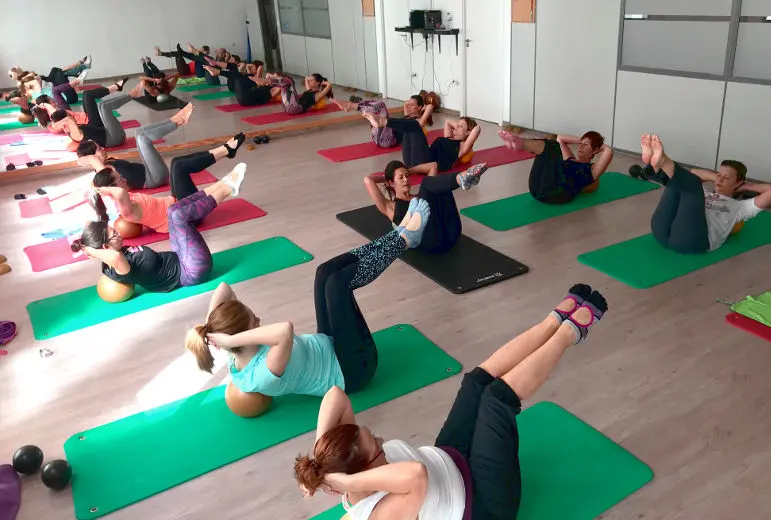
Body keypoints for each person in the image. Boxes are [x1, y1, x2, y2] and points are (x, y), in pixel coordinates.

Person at [294, 284, 608, 519]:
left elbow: (336, 395)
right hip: (484, 503)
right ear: (360, 472)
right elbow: (415, 474)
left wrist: (321, 452)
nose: (380, 439)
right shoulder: (377, 514)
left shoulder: (348, 457)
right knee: (497, 400)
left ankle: (553, 321)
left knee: (477, 381)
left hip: (450, 457)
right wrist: (345, 480)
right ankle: (570, 332)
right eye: (376, 445)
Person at [184, 198, 433, 398]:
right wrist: (231, 338)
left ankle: (398, 235)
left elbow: (225, 288)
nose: (258, 319)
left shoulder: (234, 350)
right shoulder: (260, 374)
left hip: (328, 344)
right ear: (239, 338)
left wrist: (211, 327)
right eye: (254, 321)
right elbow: (284, 331)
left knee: (324, 273)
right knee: (337, 284)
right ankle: (404, 240)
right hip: (353, 370)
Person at [71, 163, 246, 293]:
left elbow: (89, 224)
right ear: (105, 248)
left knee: (173, 210)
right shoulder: (119, 267)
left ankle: (222, 184)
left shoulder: (118, 251)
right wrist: (89, 250)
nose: (118, 232)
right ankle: (228, 190)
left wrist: (83, 240)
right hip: (190, 272)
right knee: (179, 216)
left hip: (180, 257)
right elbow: (114, 256)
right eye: (113, 234)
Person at [632, 134, 771, 254]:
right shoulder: (701, 193)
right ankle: (655, 167)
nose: (720, 179)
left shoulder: (741, 207)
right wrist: (715, 177)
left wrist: (747, 186)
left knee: (690, 184)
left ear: (738, 182)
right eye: (719, 174)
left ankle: (660, 163)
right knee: (680, 185)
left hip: (693, 241)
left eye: (726, 177)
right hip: (662, 231)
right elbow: (694, 173)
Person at [91, 132, 247, 232]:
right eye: (120, 179)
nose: (125, 179)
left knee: (175, 162)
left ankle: (224, 153)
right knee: (179, 166)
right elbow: (120, 192)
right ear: (111, 190)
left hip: (177, 203)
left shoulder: (124, 197)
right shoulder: (124, 207)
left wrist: (97, 168)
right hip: (184, 217)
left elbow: (108, 181)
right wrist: (103, 190)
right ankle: (226, 150)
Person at [364, 160, 487, 254]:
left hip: (451, 233)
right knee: (427, 183)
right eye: (401, 178)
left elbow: (433, 165)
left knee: (438, 186)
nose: (406, 180)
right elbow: (368, 180)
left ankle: (464, 179)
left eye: (407, 176)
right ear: (391, 183)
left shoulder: (421, 196)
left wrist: (407, 170)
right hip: (430, 242)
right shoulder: (390, 206)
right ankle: (462, 178)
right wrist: (386, 178)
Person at [76, 103, 208, 190]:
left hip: (150, 171)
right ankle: (178, 121)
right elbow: (110, 186)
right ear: (93, 156)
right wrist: (91, 161)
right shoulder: (105, 173)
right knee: (143, 138)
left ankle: (174, 120)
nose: (103, 148)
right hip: (153, 178)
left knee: (139, 132)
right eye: (99, 149)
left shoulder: (107, 164)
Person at [498, 129, 614, 205]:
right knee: (552, 144)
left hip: (557, 193)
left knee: (553, 146)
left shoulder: (592, 170)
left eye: (585, 145)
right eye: (580, 144)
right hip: (537, 189)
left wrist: (597, 143)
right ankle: (519, 142)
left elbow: (608, 151)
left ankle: (520, 143)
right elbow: (561, 138)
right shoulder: (570, 158)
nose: (580, 147)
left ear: (595, 150)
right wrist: (584, 139)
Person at [367, 116, 481, 177]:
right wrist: (461, 126)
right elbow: (447, 121)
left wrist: (467, 130)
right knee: (409, 123)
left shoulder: (462, 147)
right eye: (457, 125)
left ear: (468, 133)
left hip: (426, 163)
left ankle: (383, 122)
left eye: (460, 126)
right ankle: (383, 124)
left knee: (415, 126)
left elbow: (477, 129)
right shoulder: (448, 137)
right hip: (414, 160)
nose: (456, 127)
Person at [49, 79, 131, 151]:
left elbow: (55, 121)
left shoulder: (66, 122)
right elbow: (64, 123)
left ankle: (118, 88)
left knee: (86, 94)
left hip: (96, 127)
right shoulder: (73, 130)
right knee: (94, 99)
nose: (71, 115)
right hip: (96, 125)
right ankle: (121, 89)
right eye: (69, 115)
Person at [333, 95, 435, 149]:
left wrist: (426, 108)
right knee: (377, 107)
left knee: (381, 105)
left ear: (420, 107)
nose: (408, 106)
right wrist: (413, 103)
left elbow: (422, 121)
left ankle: (351, 106)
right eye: (409, 104)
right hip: (380, 137)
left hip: (388, 140)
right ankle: (352, 106)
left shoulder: (417, 122)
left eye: (412, 105)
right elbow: (405, 103)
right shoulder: (407, 116)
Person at [267, 73, 333, 115]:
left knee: (289, 82)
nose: (309, 82)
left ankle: (269, 80)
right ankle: (270, 80)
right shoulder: (309, 90)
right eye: (310, 80)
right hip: (289, 107)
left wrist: (323, 82)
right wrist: (310, 78)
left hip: (296, 108)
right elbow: (306, 78)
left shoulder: (318, 95)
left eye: (312, 81)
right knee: (284, 85)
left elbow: (329, 85)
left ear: (317, 83)